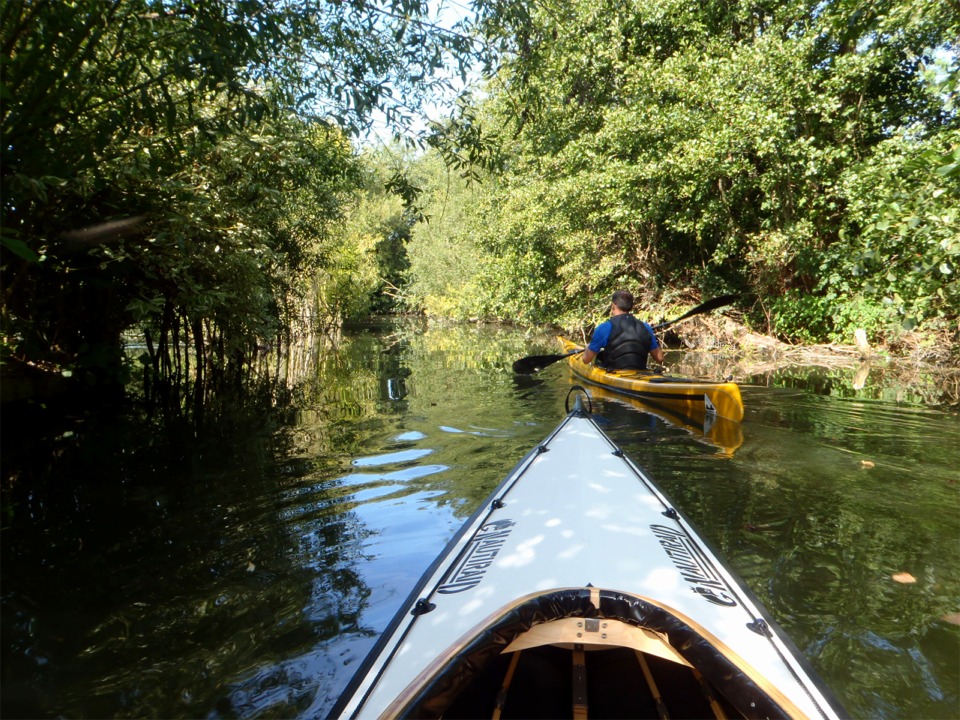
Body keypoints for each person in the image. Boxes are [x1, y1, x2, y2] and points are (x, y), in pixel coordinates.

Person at [580, 290, 664, 370]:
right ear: (632, 306)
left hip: (613, 376)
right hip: (640, 374)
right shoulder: (646, 327)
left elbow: (586, 360)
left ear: (613, 306)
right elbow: (659, 358)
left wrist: (588, 347)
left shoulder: (603, 328)